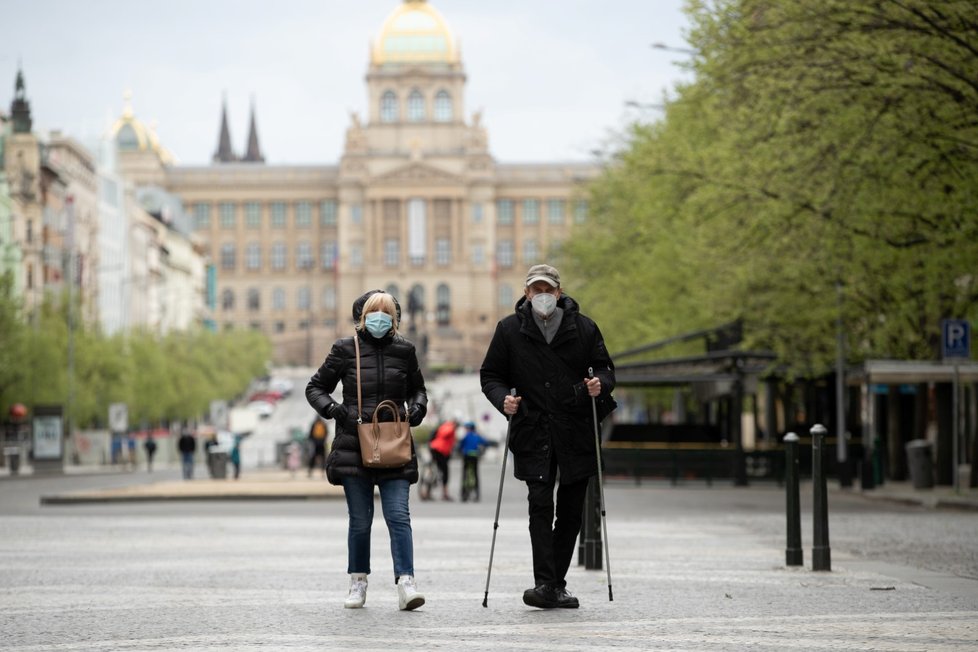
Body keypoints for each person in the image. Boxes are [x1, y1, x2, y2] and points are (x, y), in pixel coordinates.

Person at [480, 263, 616, 610]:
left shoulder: (584, 328)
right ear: (527, 293)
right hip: (533, 430)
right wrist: (503, 401)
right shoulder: (509, 330)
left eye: (547, 289)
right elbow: (491, 374)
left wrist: (599, 385)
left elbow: (604, 368)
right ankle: (546, 582)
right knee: (539, 504)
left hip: (575, 430)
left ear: (559, 292)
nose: (542, 295)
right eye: (535, 289)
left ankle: (554, 584)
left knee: (571, 511)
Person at [306, 289, 428, 611]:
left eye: (386, 312)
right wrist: (335, 410)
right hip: (353, 447)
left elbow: (418, 389)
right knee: (360, 520)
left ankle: (406, 582)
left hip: (395, 444)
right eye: (373, 312)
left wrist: (418, 408)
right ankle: (358, 580)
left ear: (395, 318)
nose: (379, 318)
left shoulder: (405, 350)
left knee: (398, 516)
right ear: (362, 317)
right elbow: (315, 387)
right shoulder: (344, 349)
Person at [457, 421, 495, 502]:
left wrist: (460, 451)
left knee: (464, 474)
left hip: (466, 456)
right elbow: (486, 443)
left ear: (468, 428)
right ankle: (477, 494)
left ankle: (464, 494)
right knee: (475, 474)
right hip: (475, 456)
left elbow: (460, 446)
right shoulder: (477, 436)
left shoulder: (466, 436)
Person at [427, 418, 457, 501]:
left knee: (434, 470)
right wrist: (452, 428)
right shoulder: (450, 427)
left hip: (434, 448)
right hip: (440, 451)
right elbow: (445, 433)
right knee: (445, 472)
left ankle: (427, 491)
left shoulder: (444, 425)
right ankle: (445, 494)